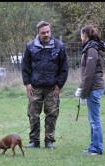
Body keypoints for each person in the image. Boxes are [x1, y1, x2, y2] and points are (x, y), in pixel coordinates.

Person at [22, 21, 69, 149]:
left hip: (52, 88)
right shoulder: (30, 46)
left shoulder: (59, 46)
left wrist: (59, 85)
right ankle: (34, 141)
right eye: (43, 32)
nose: (46, 34)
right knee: (33, 115)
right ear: (38, 32)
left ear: (50, 31)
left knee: (52, 115)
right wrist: (27, 83)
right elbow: (25, 66)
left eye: (48, 32)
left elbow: (64, 68)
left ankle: (49, 141)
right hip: (35, 87)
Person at [75, 25, 105, 155]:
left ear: (85, 35)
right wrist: (82, 89)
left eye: (81, 34)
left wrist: (83, 93)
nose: (80, 37)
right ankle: (93, 146)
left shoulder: (92, 49)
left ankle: (97, 148)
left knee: (94, 120)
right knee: (92, 119)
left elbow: (89, 73)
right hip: (92, 88)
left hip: (94, 88)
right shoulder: (90, 47)